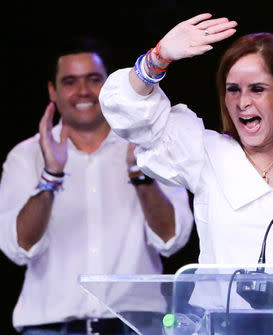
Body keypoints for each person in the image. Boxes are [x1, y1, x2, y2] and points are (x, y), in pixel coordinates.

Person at [0, 36, 194, 334]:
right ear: (52, 90)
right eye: (70, 82)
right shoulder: (25, 156)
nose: (83, 91)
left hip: (136, 324)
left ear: (110, 85)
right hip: (49, 326)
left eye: (94, 79)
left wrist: (138, 173)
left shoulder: (149, 147)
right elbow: (18, 248)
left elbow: (173, 240)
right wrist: (51, 175)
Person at [99, 13, 273, 267]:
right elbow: (131, 114)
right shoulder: (208, 154)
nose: (243, 103)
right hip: (219, 307)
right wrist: (158, 58)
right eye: (233, 90)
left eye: (257, 89)